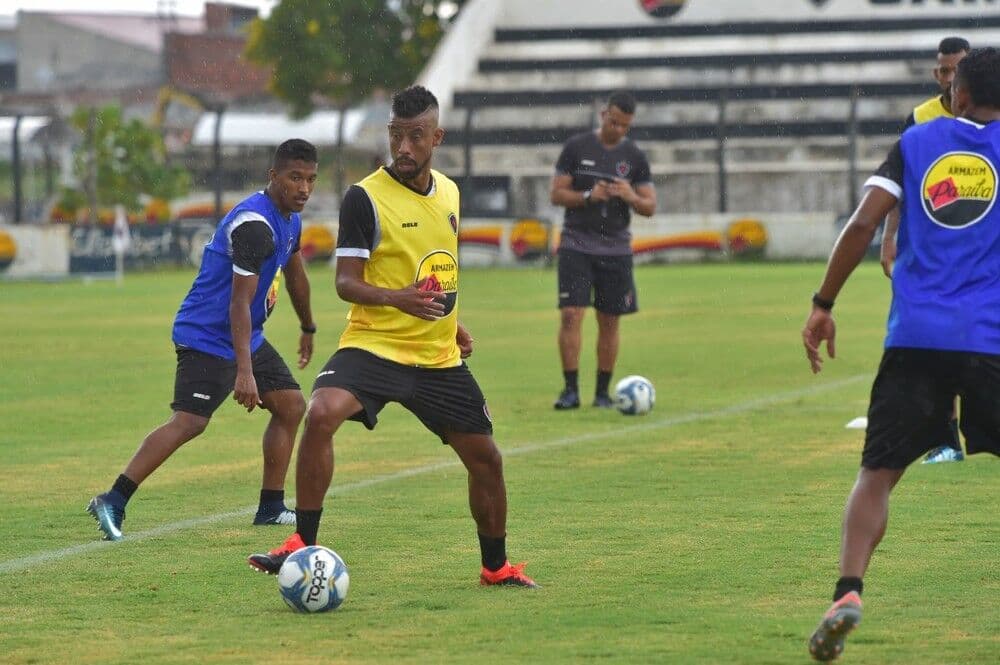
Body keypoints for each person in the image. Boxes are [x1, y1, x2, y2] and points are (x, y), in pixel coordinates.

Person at [247, 86, 538, 588]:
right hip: (374, 346)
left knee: (486, 459)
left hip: (436, 356)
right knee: (321, 412)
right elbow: (345, 282)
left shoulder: (450, 193)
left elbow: (437, 272)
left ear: (436, 137)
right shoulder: (365, 197)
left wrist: (452, 320)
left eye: (415, 137)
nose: (403, 148)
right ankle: (301, 542)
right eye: (396, 136)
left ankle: (496, 568)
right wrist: (398, 299)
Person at [802, 48, 1000, 661]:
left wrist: (822, 302)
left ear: (958, 94)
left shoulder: (916, 141)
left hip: (916, 335)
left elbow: (863, 225)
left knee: (878, 474)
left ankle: (847, 592)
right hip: (991, 336)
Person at [86, 139, 320, 541]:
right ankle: (114, 499)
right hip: (208, 335)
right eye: (294, 177)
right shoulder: (254, 227)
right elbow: (237, 304)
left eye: (311, 180)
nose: (303, 188)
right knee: (190, 421)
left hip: (248, 334)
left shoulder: (291, 220)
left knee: (291, 405)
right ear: (273, 176)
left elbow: (295, 275)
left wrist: (308, 327)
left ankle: (270, 507)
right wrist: (244, 373)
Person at [880, 36, 971, 465]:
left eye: (957, 70)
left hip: (984, 251)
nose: (950, 80)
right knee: (940, 344)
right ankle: (946, 439)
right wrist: (890, 235)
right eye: (943, 71)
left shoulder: (990, 116)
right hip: (935, 253)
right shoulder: (919, 119)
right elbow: (900, 185)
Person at [549, 91, 657, 410]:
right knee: (571, 315)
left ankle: (602, 394)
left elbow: (650, 206)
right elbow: (556, 194)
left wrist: (629, 196)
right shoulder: (576, 147)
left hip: (616, 249)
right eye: (614, 122)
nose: (618, 130)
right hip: (576, 244)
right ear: (602, 115)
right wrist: (587, 196)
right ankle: (570, 391)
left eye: (625, 126)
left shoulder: (635, 157)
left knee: (609, 320)